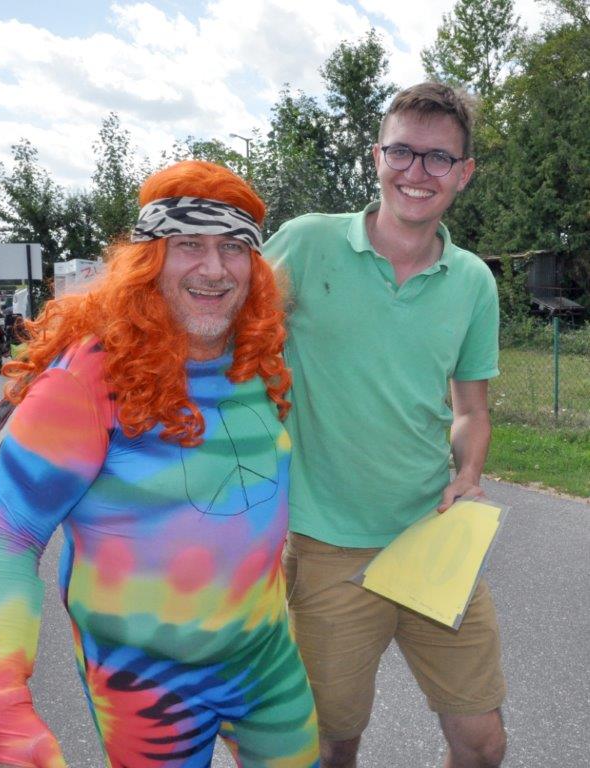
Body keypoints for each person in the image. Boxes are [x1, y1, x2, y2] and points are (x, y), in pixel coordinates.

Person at [0, 160, 320, 768]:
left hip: (265, 662)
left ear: (255, 266)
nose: (213, 268)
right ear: (149, 260)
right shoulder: (87, 378)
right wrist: (2, 698)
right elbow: (9, 539)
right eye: (189, 246)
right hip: (145, 688)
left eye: (234, 247)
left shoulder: (261, 356)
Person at [264, 82, 506, 768]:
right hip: (326, 546)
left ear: (463, 174)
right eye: (402, 151)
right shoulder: (306, 245)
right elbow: (220, 338)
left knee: (483, 744)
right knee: (333, 745)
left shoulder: (472, 282)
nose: (416, 172)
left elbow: (470, 408)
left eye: (438, 158)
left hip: (433, 537)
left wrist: (468, 473)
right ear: (376, 156)